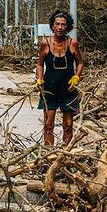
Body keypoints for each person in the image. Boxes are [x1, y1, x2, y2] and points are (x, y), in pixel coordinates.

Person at [35, 10, 83, 146]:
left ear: (67, 27)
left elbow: (80, 62)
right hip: (49, 89)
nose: (60, 27)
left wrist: (76, 77)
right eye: (57, 24)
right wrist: (39, 79)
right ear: (52, 26)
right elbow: (39, 64)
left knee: (68, 125)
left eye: (63, 24)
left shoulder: (72, 43)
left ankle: (65, 153)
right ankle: (48, 154)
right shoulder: (45, 43)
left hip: (68, 90)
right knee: (48, 124)